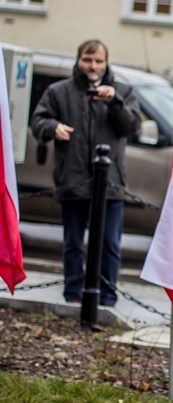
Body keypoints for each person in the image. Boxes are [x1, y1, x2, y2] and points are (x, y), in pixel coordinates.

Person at [31, 39, 141, 306]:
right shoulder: (59, 91)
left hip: (111, 184)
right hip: (73, 180)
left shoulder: (122, 92)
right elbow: (37, 121)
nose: (92, 66)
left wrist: (115, 103)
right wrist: (52, 127)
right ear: (78, 61)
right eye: (87, 60)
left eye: (98, 61)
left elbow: (132, 127)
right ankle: (72, 298)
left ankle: (106, 300)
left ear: (106, 63)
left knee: (109, 246)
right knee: (72, 244)